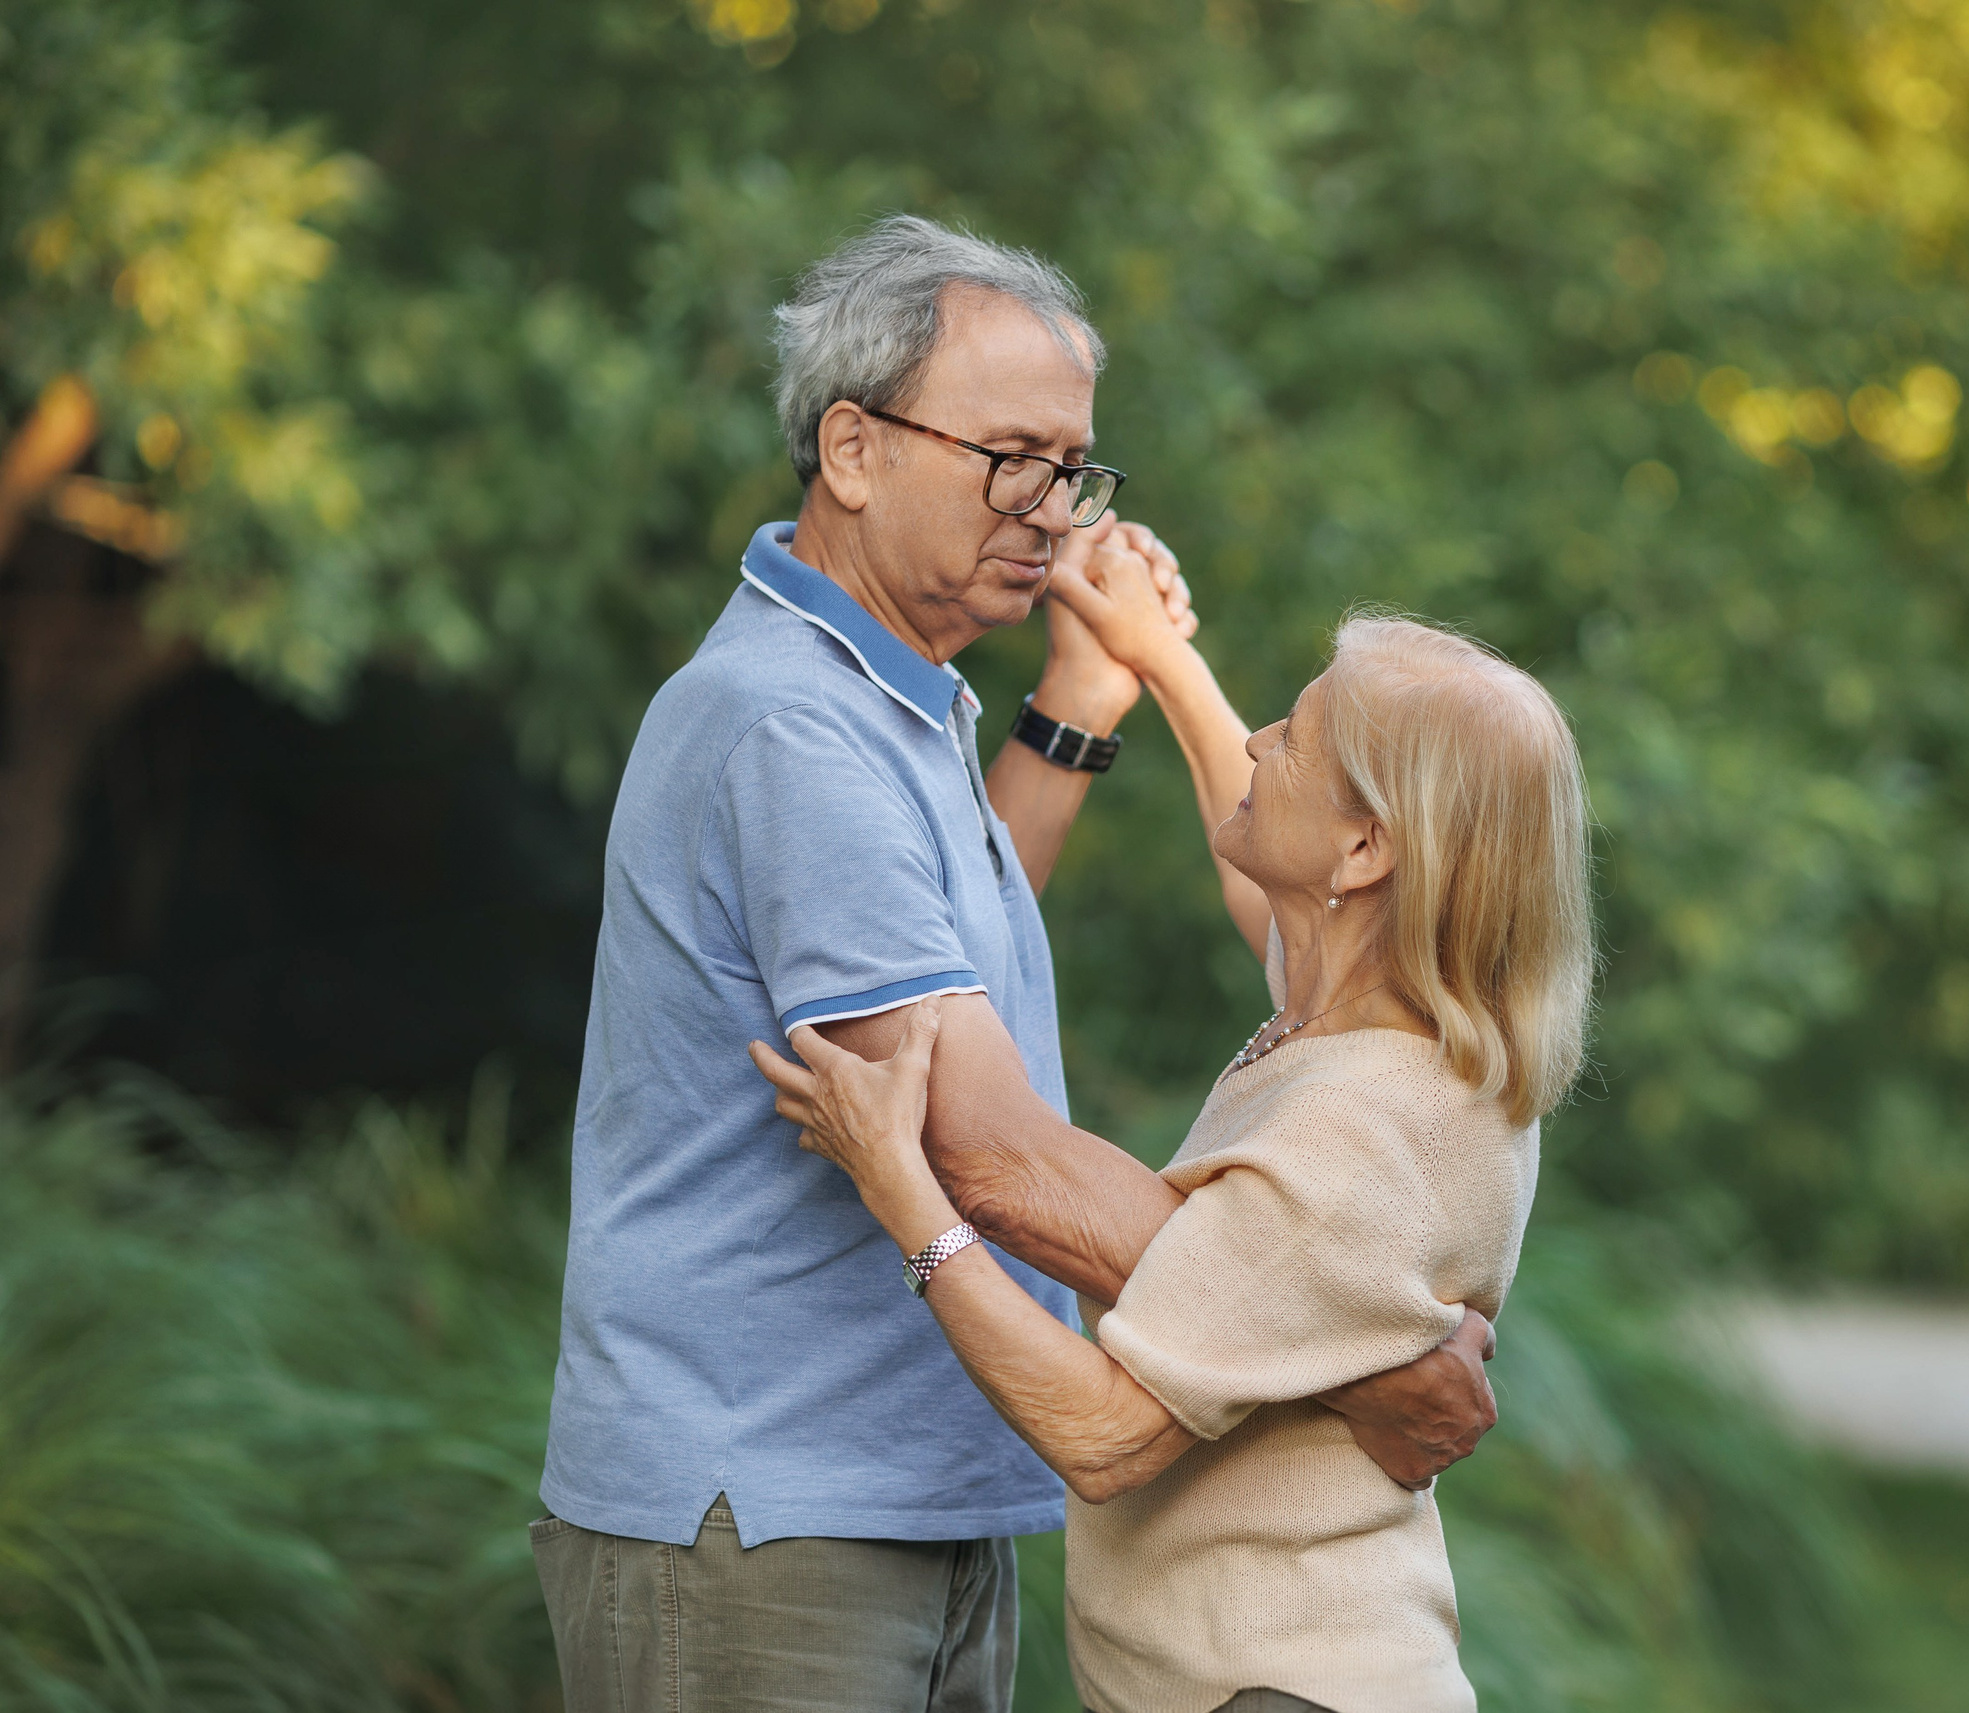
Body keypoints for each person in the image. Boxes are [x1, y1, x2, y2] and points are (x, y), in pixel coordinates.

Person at [532, 214, 1499, 1712]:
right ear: (853, 450)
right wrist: (1348, 1350)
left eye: (1076, 469)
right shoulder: (796, 725)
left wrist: (1075, 706)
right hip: (772, 1512)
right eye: (1016, 458)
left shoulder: (895, 697)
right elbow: (982, 1148)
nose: (1055, 510)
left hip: (908, 1494)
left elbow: (949, 955)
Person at [755, 591, 1598, 1713]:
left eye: (1293, 738)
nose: (1257, 740)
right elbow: (1266, 880)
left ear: (1363, 850)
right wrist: (1161, 658)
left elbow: (1101, 1434)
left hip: (1276, 1689)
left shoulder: (1362, 1124)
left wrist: (903, 1193)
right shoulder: (1383, 1023)